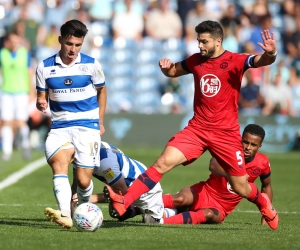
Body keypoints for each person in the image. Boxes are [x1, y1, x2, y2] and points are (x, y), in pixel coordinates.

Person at [103, 20, 279, 230]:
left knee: (241, 187)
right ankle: (124, 202)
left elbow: (262, 60)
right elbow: (173, 72)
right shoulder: (196, 60)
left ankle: (262, 203)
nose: (200, 46)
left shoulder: (235, 60)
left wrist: (271, 54)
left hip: (226, 134)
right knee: (162, 163)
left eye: (204, 41)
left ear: (218, 41)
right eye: (198, 41)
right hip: (197, 129)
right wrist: (166, 68)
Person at [35, 19, 107, 229]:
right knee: (59, 165)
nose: (73, 49)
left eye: (77, 45)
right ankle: (65, 215)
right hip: (60, 128)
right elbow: (42, 96)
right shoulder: (44, 67)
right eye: (69, 44)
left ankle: (83, 208)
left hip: (87, 126)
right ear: (60, 40)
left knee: (84, 181)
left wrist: (100, 121)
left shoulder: (92, 64)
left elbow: (102, 90)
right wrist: (41, 102)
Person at [155, 124, 276, 228]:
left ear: (260, 146)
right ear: (240, 139)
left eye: (253, 145)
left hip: (221, 208)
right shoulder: (229, 150)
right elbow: (213, 165)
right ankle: (136, 207)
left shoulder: (263, 163)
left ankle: (161, 221)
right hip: (206, 191)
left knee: (207, 215)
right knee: (181, 199)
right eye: (245, 142)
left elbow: (266, 186)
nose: (248, 147)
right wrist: (237, 174)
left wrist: (266, 214)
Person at [71, 141, 172, 222]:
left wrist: (91, 198)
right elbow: (75, 186)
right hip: (127, 181)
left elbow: (123, 194)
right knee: (116, 214)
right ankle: (133, 210)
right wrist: (71, 216)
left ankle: (181, 210)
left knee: (152, 221)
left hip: (146, 190)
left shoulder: (106, 164)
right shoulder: (83, 154)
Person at [0, 31, 34, 161]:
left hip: (21, 92)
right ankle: (7, 151)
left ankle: (25, 145)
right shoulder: (2, 53)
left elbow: (29, 72)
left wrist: (31, 91)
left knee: (21, 122)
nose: (14, 43)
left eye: (16, 40)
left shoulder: (25, 53)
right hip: (6, 91)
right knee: (6, 122)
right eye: (12, 40)